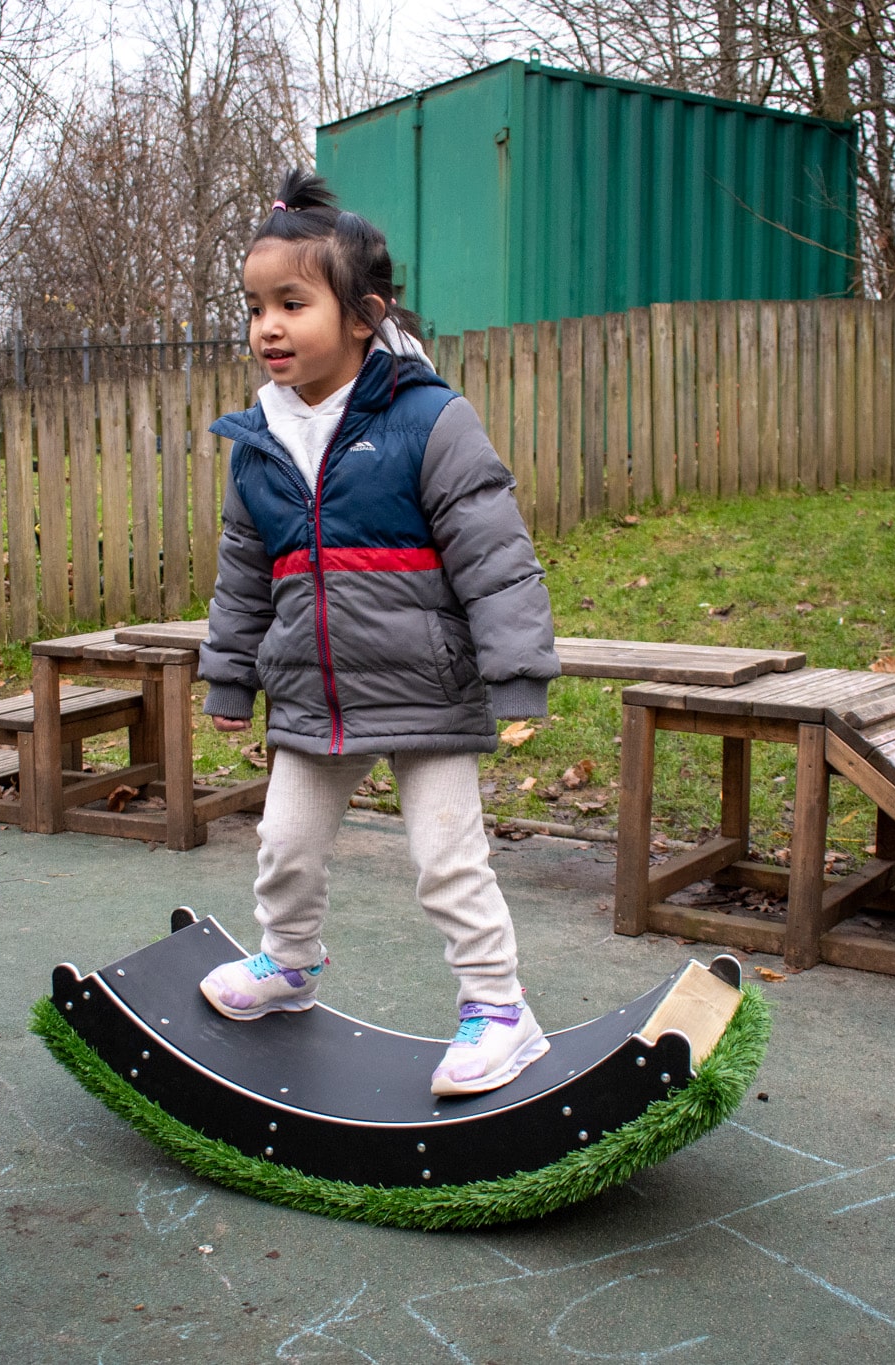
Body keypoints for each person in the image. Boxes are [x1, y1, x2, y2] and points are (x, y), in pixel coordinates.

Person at [196, 169, 561, 1097]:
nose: (267, 326)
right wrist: (230, 677)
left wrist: (518, 672)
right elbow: (245, 575)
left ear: (363, 315)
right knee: (282, 845)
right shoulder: (260, 445)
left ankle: (499, 1011)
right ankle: (289, 964)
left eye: (291, 303)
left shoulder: (430, 420)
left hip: (427, 688)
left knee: (448, 860)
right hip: (314, 697)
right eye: (254, 307)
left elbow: (496, 553)